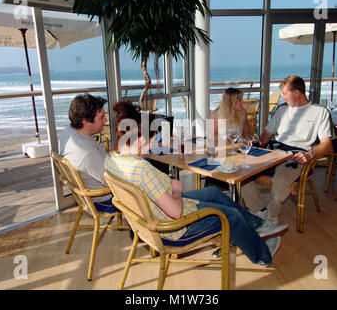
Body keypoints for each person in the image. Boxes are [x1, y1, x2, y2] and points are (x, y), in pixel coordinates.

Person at [104, 101, 288, 266]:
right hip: (172, 228)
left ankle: (258, 226)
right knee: (231, 215)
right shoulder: (142, 170)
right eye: (155, 139)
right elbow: (176, 212)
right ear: (142, 139)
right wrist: (175, 189)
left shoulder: (112, 159)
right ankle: (264, 254)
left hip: (155, 211)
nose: (156, 144)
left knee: (212, 193)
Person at [241, 75, 333, 231]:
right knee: (242, 173)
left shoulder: (319, 112)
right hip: (274, 151)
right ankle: (259, 211)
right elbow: (266, 135)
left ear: (297, 92)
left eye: (284, 93)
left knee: (280, 181)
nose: (282, 97)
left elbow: (326, 144)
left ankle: (271, 219)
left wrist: (310, 154)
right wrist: (256, 141)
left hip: (296, 156)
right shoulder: (282, 109)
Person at [58, 94, 112, 205]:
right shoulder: (86, 153)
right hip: (103, 199)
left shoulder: (67, 132)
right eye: (101, 117)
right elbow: (114, 182)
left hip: (87, 192)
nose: (106, 120)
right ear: (86, 122)